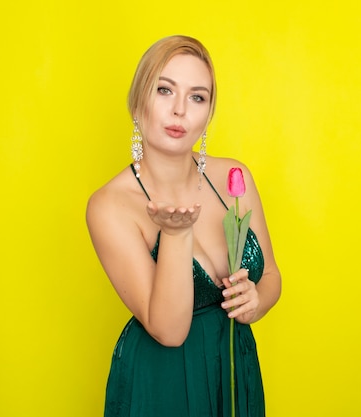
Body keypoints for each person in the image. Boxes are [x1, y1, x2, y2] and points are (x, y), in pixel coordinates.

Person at [86, 35, 281, 417]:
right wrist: (175, 235)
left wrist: (256, 303)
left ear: (208, 113)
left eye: (197, 97)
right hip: (163, 384)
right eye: (164, 90)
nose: (179, 111)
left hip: (234, 371)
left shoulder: (234, 177)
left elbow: (271, 275)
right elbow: (169, 332)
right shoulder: (110, 205)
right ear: (138, 100)